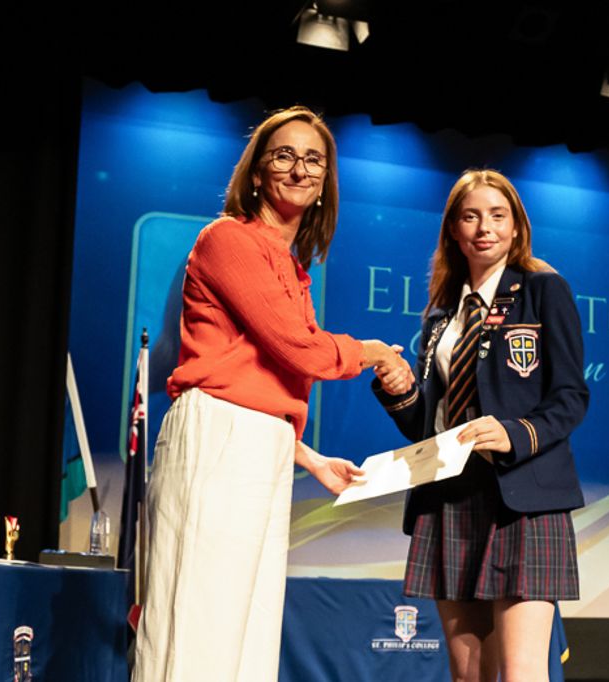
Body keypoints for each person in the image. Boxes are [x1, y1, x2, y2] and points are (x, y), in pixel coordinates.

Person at [133, 106, 413, 682]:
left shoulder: (291, 266)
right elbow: (298, 349)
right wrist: (375, 352)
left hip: (260, 448)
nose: (299, 169)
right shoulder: (228, 239)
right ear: (257, 173)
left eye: (313, 159)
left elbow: (260, 379)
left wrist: (306, 457)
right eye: (284, 155)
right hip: (217, 442)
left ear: (325, 181)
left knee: (248, 632)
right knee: (200, 625)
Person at [372, 169, 588, 682]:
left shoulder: (543, 289)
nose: (484, 228)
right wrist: (399, 390)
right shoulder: (440, 316)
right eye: (470, 216)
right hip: (449, 494)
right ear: (453, 229)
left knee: (520, 670)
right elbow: (426, 426)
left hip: (523, 497)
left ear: (516, 227)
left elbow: (571, 397)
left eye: (497, 215)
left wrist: (515, 434)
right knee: (468, 674)